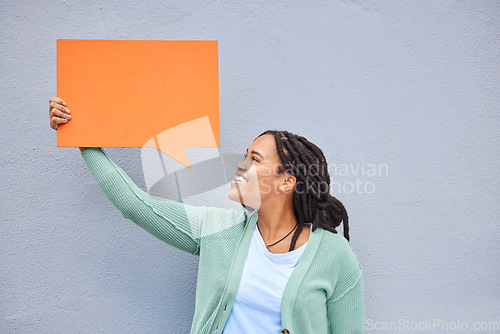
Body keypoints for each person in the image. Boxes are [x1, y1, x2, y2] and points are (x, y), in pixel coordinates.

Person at [49, 97, 366, 334]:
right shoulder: (218, 228)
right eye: (244, 156)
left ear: (286, 181)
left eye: (254, 160)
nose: (241, 166)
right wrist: (83, 137)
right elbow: (136, 205)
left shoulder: (336, 256)